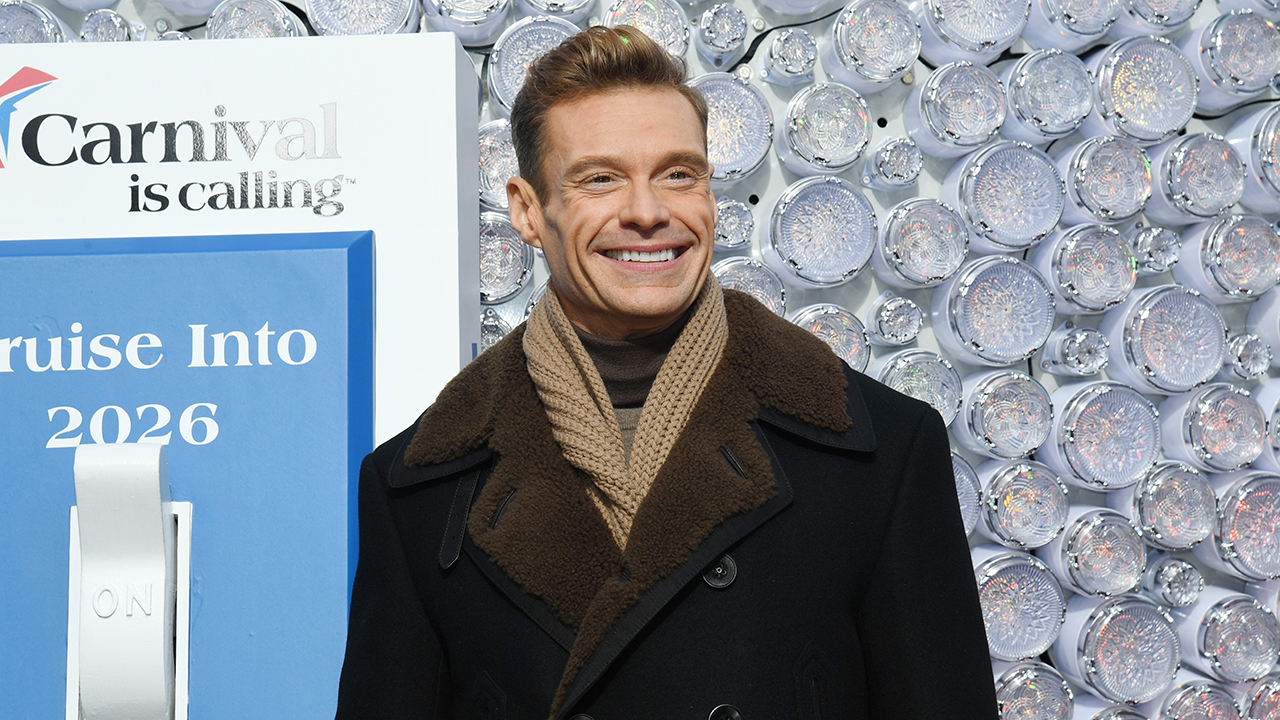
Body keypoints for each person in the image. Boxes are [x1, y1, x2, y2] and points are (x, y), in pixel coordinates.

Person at [336, 26, 999, 720]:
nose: (648, 213)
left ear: (712, 193)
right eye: (600, 178)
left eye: (678, 173)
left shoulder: (882, 452)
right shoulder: (418, 489)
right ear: (530, 212)